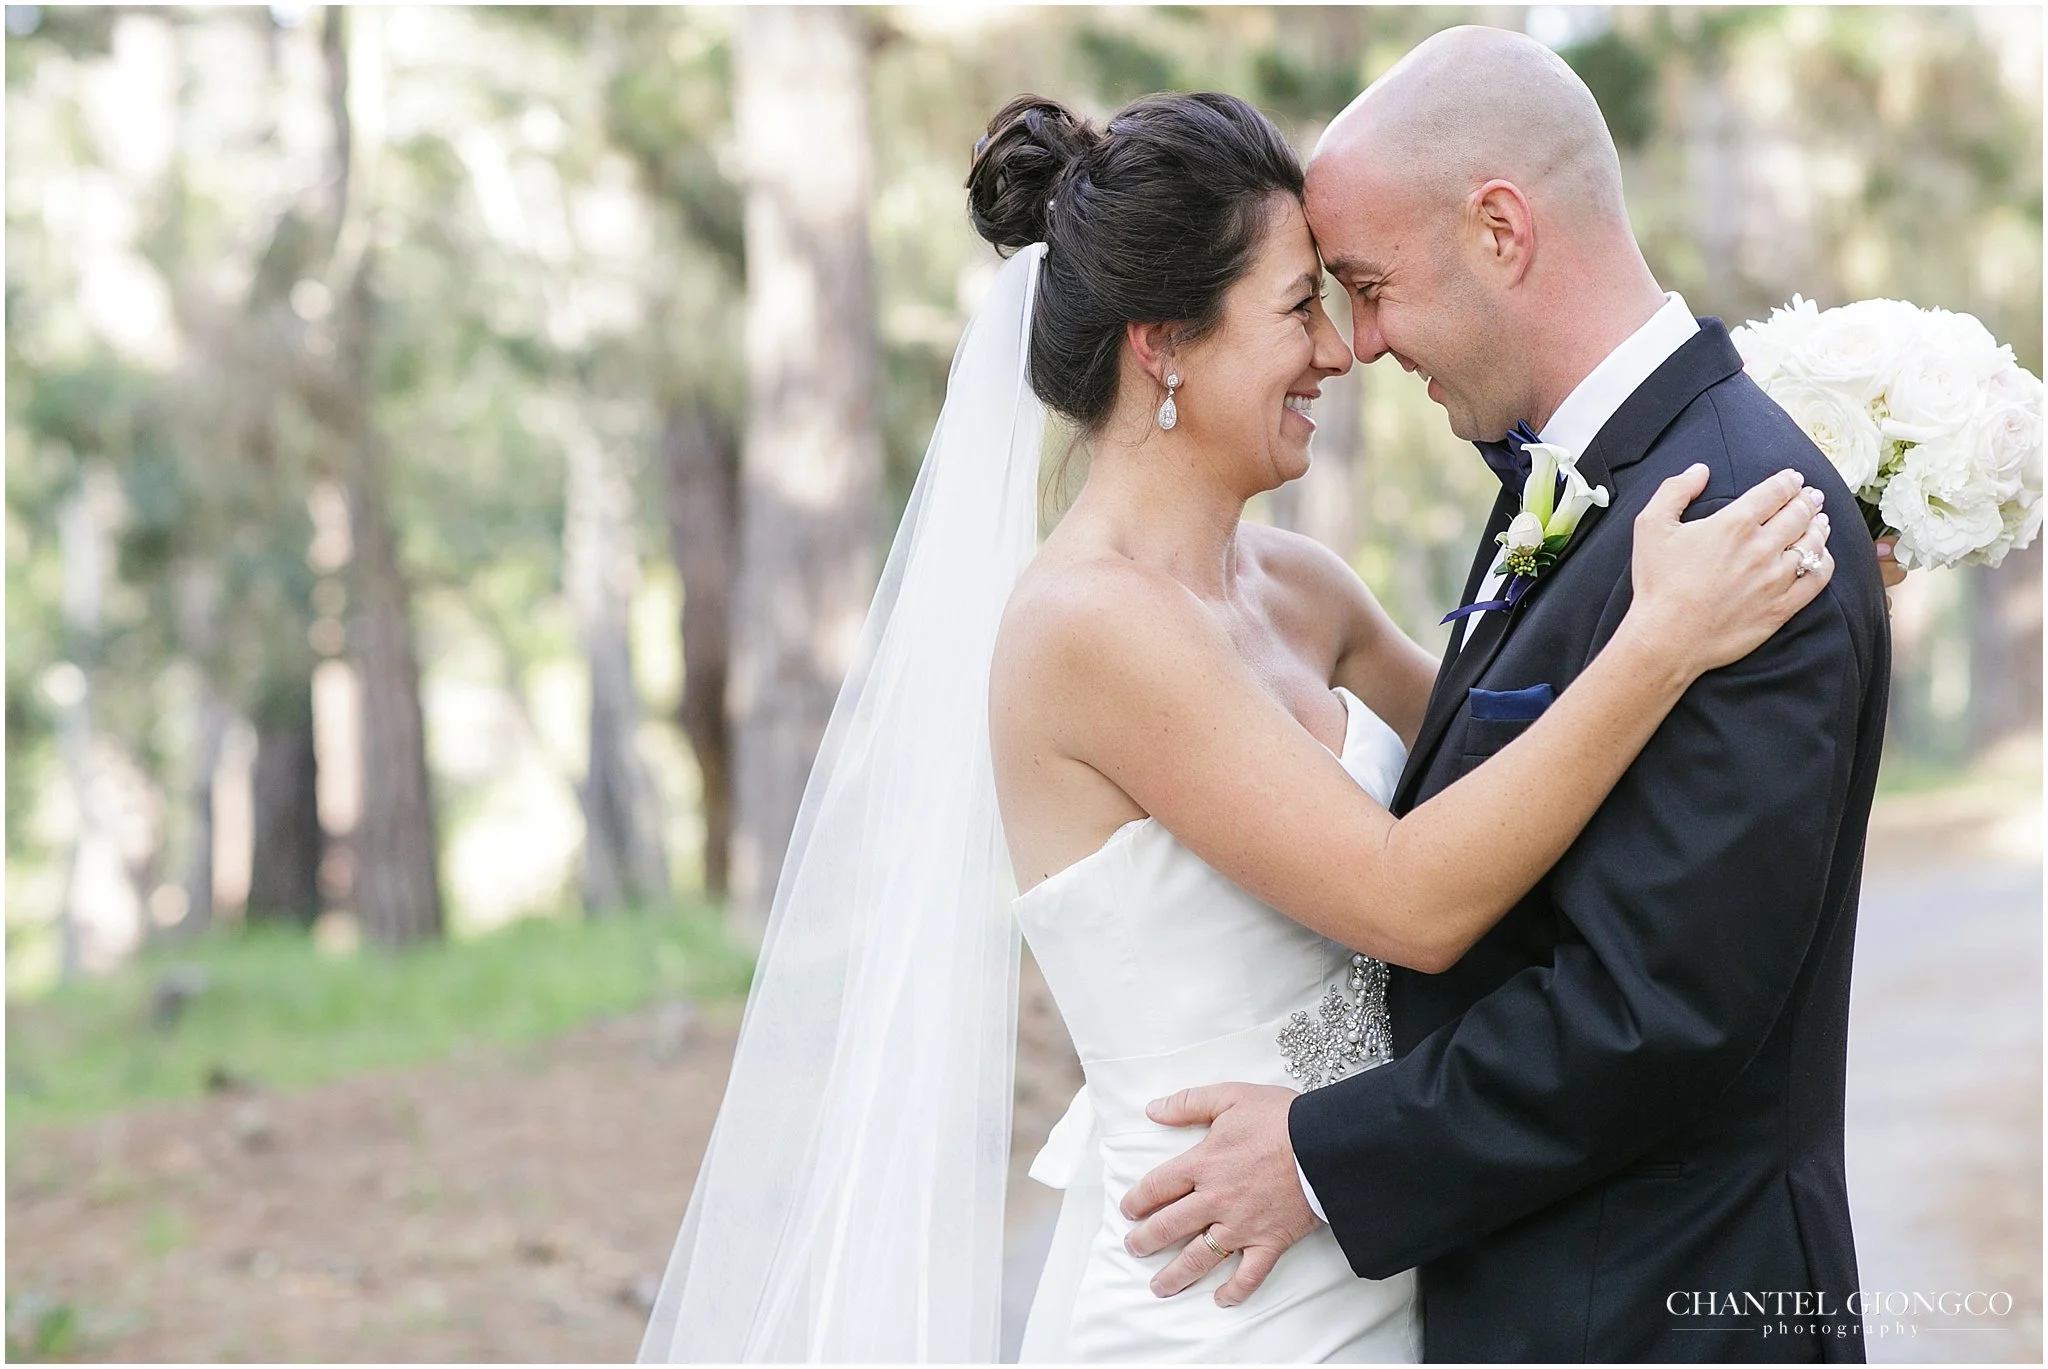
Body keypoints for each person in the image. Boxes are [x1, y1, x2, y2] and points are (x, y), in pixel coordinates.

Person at [637, 73, 1871, 1368]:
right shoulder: (1085, 631)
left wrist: (1799, 603)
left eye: (1347, 299)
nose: (1341, 350)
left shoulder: (1300, 587)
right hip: (1226, 1278)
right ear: (1162, 344)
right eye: (1300, 307)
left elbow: (1525, 769)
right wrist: (1662, 641)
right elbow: (1412, 894)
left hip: (1396, 1251)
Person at [1113, 28, 1891, 1364]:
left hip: (1664, 1312)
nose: (1361, 345)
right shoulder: (1600, 482)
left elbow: (1656, 1013)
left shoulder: (1739, 520)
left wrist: (1315, 1159)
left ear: (1499, 229)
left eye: (1367, 285)